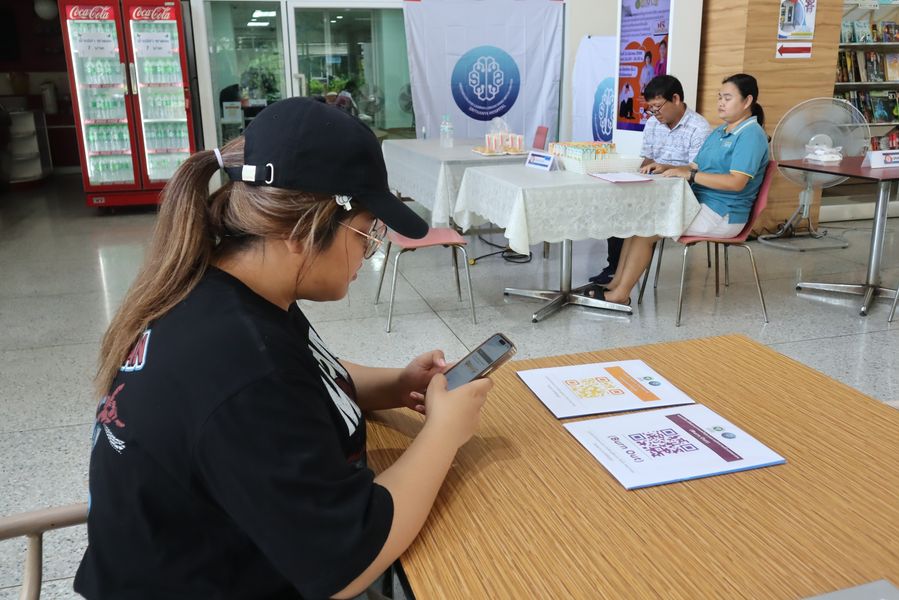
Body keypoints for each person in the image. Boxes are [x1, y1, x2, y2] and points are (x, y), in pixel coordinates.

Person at [73, 97, 492, 599]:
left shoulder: (231, 289)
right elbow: (346, 563)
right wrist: (444, 434)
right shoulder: (240, 362)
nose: (368, 251)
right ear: (301, 230)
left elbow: (304, 373)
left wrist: (397, 385)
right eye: (366, 232)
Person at [599, 74, 769, 305]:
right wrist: (668, 167)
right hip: (701, 203)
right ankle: (615, 285)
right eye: (719, 97)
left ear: (747, 101)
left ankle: (621, 295)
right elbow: (695, 166)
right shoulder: (721, 131)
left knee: (646, 228)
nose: (721, 103)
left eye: (727, 98)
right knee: (638, 222)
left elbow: (736, 182)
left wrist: (691, 175)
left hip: (724, 214)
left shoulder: (751, 135)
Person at [588, 75, 711, 286]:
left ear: (676, 99)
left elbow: (695, 169)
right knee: (616, 204)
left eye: (657, 107)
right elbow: (647, 158)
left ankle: (620, 274)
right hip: (653, 185)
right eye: (650, 109)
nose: (654, 114)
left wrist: (666, 167)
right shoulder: (653, 123)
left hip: (680, 192)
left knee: (632, 215)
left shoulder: (699, 127)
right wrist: (635, 169)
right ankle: (614, 268)